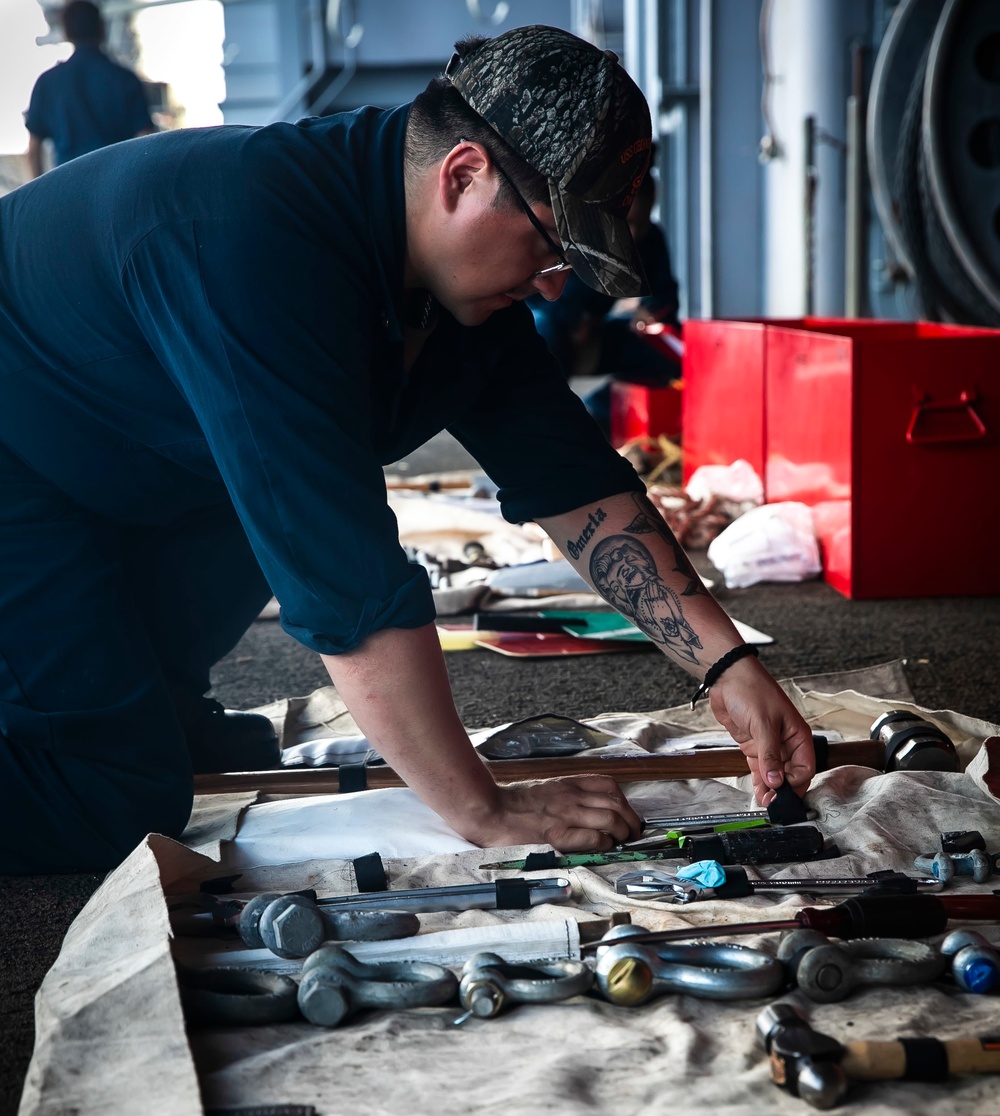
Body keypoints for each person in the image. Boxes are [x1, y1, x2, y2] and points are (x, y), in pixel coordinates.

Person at [0, 24, 814, 875]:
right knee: (110, 796)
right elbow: (342, 576)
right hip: (17, 452)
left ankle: (140, 702)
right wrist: (485, 807)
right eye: (549, 245)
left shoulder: (456, 281)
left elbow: (576, 485)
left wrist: (728, 666)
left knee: (168, 710)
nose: (554, 285)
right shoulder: (257, 248)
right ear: (463, 174)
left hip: (116, 445)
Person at [529, 154, 681, 430]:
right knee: (544, 328)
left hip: (594, 337)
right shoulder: (579, 229)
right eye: (626, 223)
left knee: (667, 350)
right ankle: (547, 424)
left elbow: (666, 296)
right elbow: (533, 289)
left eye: (640, 224)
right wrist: (574, 316)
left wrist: (650, 314)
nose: (632, 235)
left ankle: (596, 412)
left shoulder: (651, 240)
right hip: (547, 330)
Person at [24, 0, 154, 178]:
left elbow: (33, 151)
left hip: (68, 187)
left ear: (67, 33)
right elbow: (146, 140)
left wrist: (38, 197)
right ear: (101, 29)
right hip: (116, 185)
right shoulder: (125, 80)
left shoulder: (47, 83)